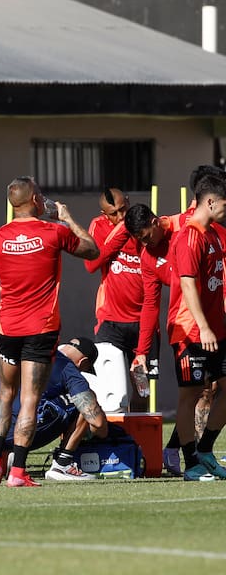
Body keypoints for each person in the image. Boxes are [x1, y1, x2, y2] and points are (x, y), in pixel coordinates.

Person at [0, 176, 98, 487]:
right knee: (29, 399)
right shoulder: (53, 232)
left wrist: (0, 310)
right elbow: (92, 249)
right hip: (40, 329)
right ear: (34, 199)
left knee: (5, 394)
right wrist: (67, 217)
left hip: (8, 329)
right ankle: (17, 471)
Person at [165, 167, 226, 481]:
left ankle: (205, 450)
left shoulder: (214, 234)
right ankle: (191, 464)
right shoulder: (189, 237)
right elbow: (188, 286)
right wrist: (203, 326)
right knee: (189, 396)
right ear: (211, 202)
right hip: (190, 330)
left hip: (216, 329)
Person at [125, 202, 194, 476]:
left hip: (213, 315)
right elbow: (150, 305)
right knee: (197, 391)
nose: (144, 243)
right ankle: (187, 453)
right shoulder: (147, 257)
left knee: (210, 392)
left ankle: (185, 449)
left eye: (145, 236)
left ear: (155, 221)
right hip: (184, 326)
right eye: (138, 240)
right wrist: (141, 351)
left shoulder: (184, 228)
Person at [0, 336, 108, 481]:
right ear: (83, 362)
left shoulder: (27, 352)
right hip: (21, 430)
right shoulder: (69, 369)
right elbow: (97, 422)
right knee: (84, 402)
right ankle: (63, 464)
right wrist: (99, 431)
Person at [84, 188, 151, 411]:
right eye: (114, 213)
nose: (121, 216)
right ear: (104, 214)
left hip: (143, 323)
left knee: (142, 389)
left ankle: (139, 443)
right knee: (107, 389)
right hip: (110, 322)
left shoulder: (142, 223)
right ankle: (109, 441)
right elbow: (92, 264)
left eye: (124, 210)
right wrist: (123, 230)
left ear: (129, 203)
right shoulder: (99, 226)